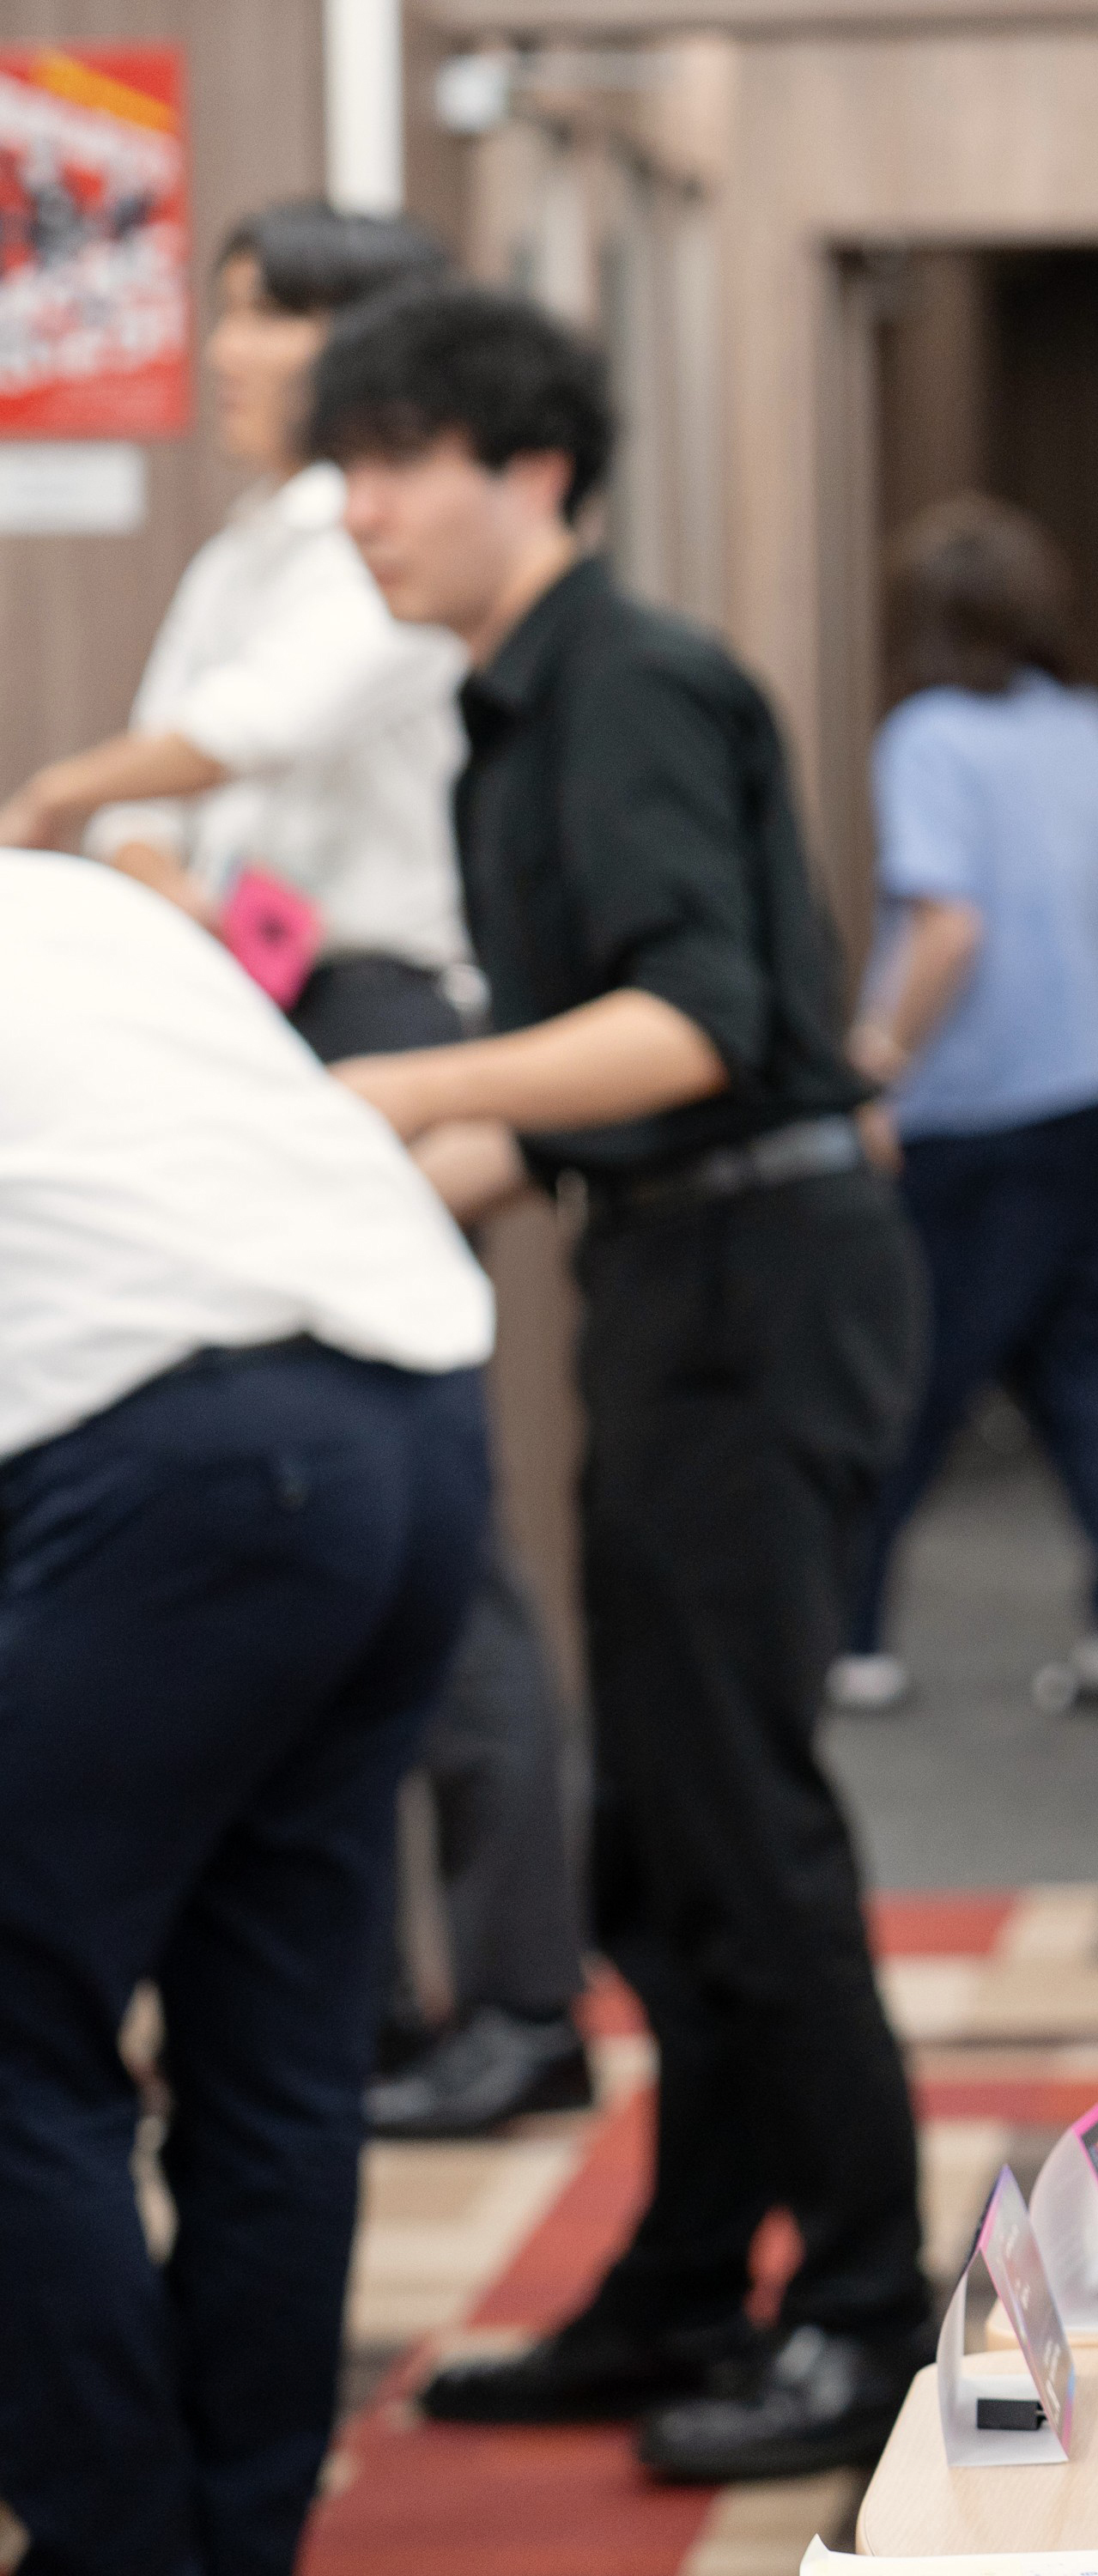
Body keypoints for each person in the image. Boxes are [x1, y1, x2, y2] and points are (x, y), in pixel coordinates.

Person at [303, 283, 934, 2483]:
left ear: (534, 469)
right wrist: (318, 1190)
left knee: (747, 1828)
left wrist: (394, 1092)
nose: (354, 507)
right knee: (656, 1849)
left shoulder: (635, 683)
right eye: (341, 464)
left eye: (395, 461)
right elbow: (552, 1111)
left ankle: (872, 2312)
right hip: (675, 1274)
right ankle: (687, 2276)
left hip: (765, 1277)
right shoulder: (496, 712)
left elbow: (692, 1026)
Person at [0, 199, 594, 2142]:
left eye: (252, 323)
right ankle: (371, 2006)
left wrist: (74, 801)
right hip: (269, 995)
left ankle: (516, 1993)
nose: (222, 356)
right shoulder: (271, 534)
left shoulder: (366, 542)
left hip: (372, 1013)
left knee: (415, 1516)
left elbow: (255, 734)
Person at [0, 850, 494, 2576]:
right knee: (276, 2040)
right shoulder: (72, 901)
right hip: (417, 1432)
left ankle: (124, 2551)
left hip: (197, 1466)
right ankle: (230, 2538)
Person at [829, 495, 1098, 1716]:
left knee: (918, 1364)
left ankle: (852, 1630)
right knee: (1097, 1354)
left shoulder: (930, 737)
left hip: (989, 1106)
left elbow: (949, 926)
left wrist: (875, 1062)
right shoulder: (1082, 724)